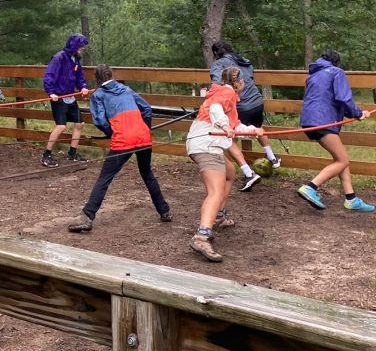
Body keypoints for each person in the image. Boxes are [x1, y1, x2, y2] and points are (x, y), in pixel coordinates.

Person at [67, 65, 172, 233]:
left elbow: (100, 121)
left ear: (97, 78)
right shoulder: (126, 89)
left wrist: (111, 132)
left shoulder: (98, 95)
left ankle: (87, 217)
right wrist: (145, 128)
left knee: (105, 178)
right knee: (147, 173)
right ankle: (164, 211)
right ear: (111, 75)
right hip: (143, 137)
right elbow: (146, 108)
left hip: (123, 139)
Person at [185, 66, 264, 262]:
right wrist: (225, 126)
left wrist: (254, 130)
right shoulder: (227, 92)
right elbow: (215, 110)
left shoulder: (225, 94)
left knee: (229, 173)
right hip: (207, 145)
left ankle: (218, 215)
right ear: (241, 83)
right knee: (215, 191)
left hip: (204, 143)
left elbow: (236, 126)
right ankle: (202, 236)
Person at [296, 49, 376, 213]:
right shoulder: (336, 72)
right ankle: (311, 187)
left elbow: (328, 99)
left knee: (341, 158)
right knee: (343, 161)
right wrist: (359, 113)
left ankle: (351, 198)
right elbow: (343, 98)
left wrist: (358, 113)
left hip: (310, 121)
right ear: (337, 62)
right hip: (323, 121)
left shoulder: (314, 76)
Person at [209, 41, 280, 192]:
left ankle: (245, 172)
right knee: (258, 128)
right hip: (256, 101)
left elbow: (217, 85)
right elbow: (250, 79)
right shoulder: (243, 60)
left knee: (229, 139)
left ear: (215, 53)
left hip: (239, 104)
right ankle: (272, 158)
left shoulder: (219, 64)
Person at [41, 34, 89, 167]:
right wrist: (51, 92)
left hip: (70, 96)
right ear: (74, 45)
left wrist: (83, 87)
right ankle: (46, 154)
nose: (82, 48)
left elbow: (79, 76)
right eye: (81, 46)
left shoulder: (76, 60)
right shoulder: (59, 58)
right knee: (61, 126)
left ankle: (72, 153)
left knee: (79, 124)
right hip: (58, 96)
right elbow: (49, 76)